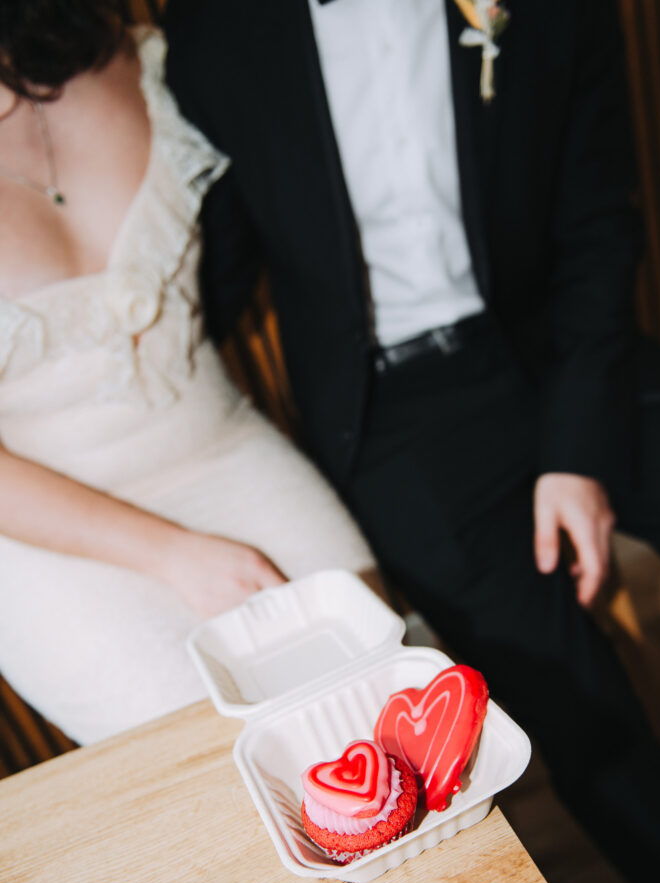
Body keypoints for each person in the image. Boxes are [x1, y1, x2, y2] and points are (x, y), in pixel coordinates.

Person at [164, 0, 660, 883]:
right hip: (396, 419)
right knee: (577, 711)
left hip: (557, 342)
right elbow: (212, 262)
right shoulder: (214, 36)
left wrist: (573, 452)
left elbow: (599, 220)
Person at [0, 1, 377, 746]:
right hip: (42, 530)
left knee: (375, 688)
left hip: (225, 450)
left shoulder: (140, 56)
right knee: (219, 758)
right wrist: (171, 553)